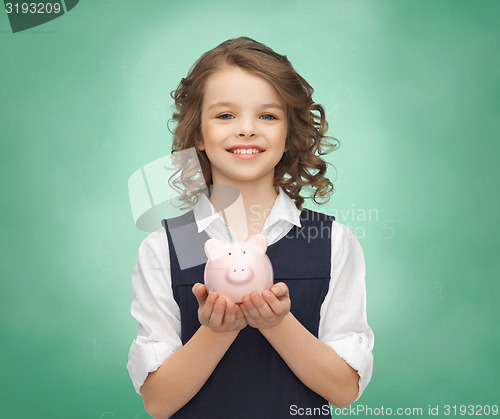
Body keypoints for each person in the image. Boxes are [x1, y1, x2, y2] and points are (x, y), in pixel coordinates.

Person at [127, 37, 374, 419]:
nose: (246, 130)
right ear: (197, 134)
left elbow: (343, 390)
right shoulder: (168, 247)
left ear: (289, 132)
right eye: (225, 116)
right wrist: (218, 330)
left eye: (268, 116)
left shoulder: (332, 242)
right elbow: (158, 402)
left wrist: (276, 324)